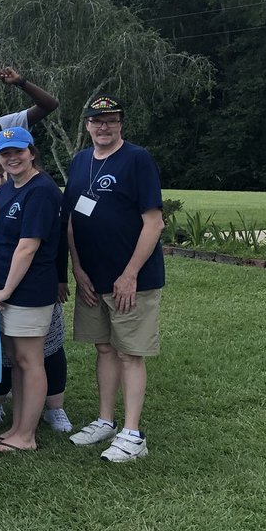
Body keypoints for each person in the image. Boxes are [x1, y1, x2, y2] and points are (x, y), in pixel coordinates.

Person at [65, 96, 164, 463]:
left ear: (120, 123)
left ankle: (133, 434)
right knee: (104, 348)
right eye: (95, 121)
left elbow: (153, 221)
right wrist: (78, 268)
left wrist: (130, 274)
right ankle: (106, 420)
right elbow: (73, 219)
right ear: (87, 125)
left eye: (110, 120)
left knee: (129, 353)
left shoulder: (137, 159)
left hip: (131, 279)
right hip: (93, 277)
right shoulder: (79, 162)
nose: (102, 127)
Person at [0, 127, 63, 454]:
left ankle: (26, 436)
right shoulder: (6, 189)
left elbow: (28, 247)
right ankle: (16, 427)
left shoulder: (41, 190)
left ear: (32, 152)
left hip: (27, 291)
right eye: (6, 153)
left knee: (30, 361)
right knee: (16, 360)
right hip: (7, 288)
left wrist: (5, 291)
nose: (12, 158)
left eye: (18, 151)